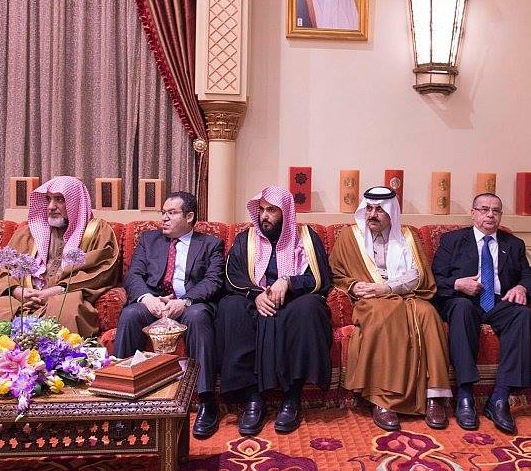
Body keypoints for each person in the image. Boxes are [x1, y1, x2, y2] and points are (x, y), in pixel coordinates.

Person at [330, 186, 451, 431]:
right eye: (369, 209)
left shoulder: (408, 236)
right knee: (383, 315)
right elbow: (337, 274)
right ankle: (383, 399)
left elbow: (417, 275)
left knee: (429, 314)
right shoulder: (349, 237)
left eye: (379, 210)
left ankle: (434, 396)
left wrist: (386, 288)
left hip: (405, 294)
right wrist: (354, 286)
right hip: (370, 301)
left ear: (391, 213)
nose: (372, 214)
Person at [216, 186, 332, 436]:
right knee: (230, 307)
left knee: (310, 307)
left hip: (293, 300)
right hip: (254, 298)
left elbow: (320, 277)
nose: (264, 216)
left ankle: (292, 397)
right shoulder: (245, 239)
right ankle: (252, 399)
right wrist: (256, 295)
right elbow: (232, 276)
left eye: (271, 210)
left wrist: (289, 282)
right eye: (261, 210)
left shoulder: (307, 237)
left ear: (285, 212)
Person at [114, 191, 224, 438]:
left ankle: (207, 401)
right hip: (154, 303)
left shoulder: (210, 244)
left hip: (190, 304)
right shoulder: (148, 240)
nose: (164, 218)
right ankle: (121, 399)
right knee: (130, 315)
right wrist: (147, 298)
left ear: (189, 216)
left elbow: (213, 281)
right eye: (163, 212)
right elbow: (133, 275)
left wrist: (184, 301)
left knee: (198, 317)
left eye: (171, 213)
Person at [0, 176, 119, 346]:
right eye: (48, 199)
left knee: (67, 315)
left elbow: (101, 269)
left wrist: (56, 290)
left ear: (75, 202)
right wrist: (17, 290)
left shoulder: (96, 231)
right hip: (24, 298)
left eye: (59, 199)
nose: (51, 206)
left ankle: (55, 364)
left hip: (66, 296)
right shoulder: (29, 231)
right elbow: (5, 268)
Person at [432, 193, 531, 434]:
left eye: (495, 211)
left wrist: (521, 287)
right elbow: (435, 278)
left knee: (522, 314)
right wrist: (458, 284)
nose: (490, 215)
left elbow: (527, 275)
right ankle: (465, 395)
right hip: (462, 300)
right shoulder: (452, 240)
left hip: (498, 301)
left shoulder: (514, 244)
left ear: (500, 215)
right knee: (462, 308)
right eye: (484, 209)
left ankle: (499, 397)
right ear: (473, 213)